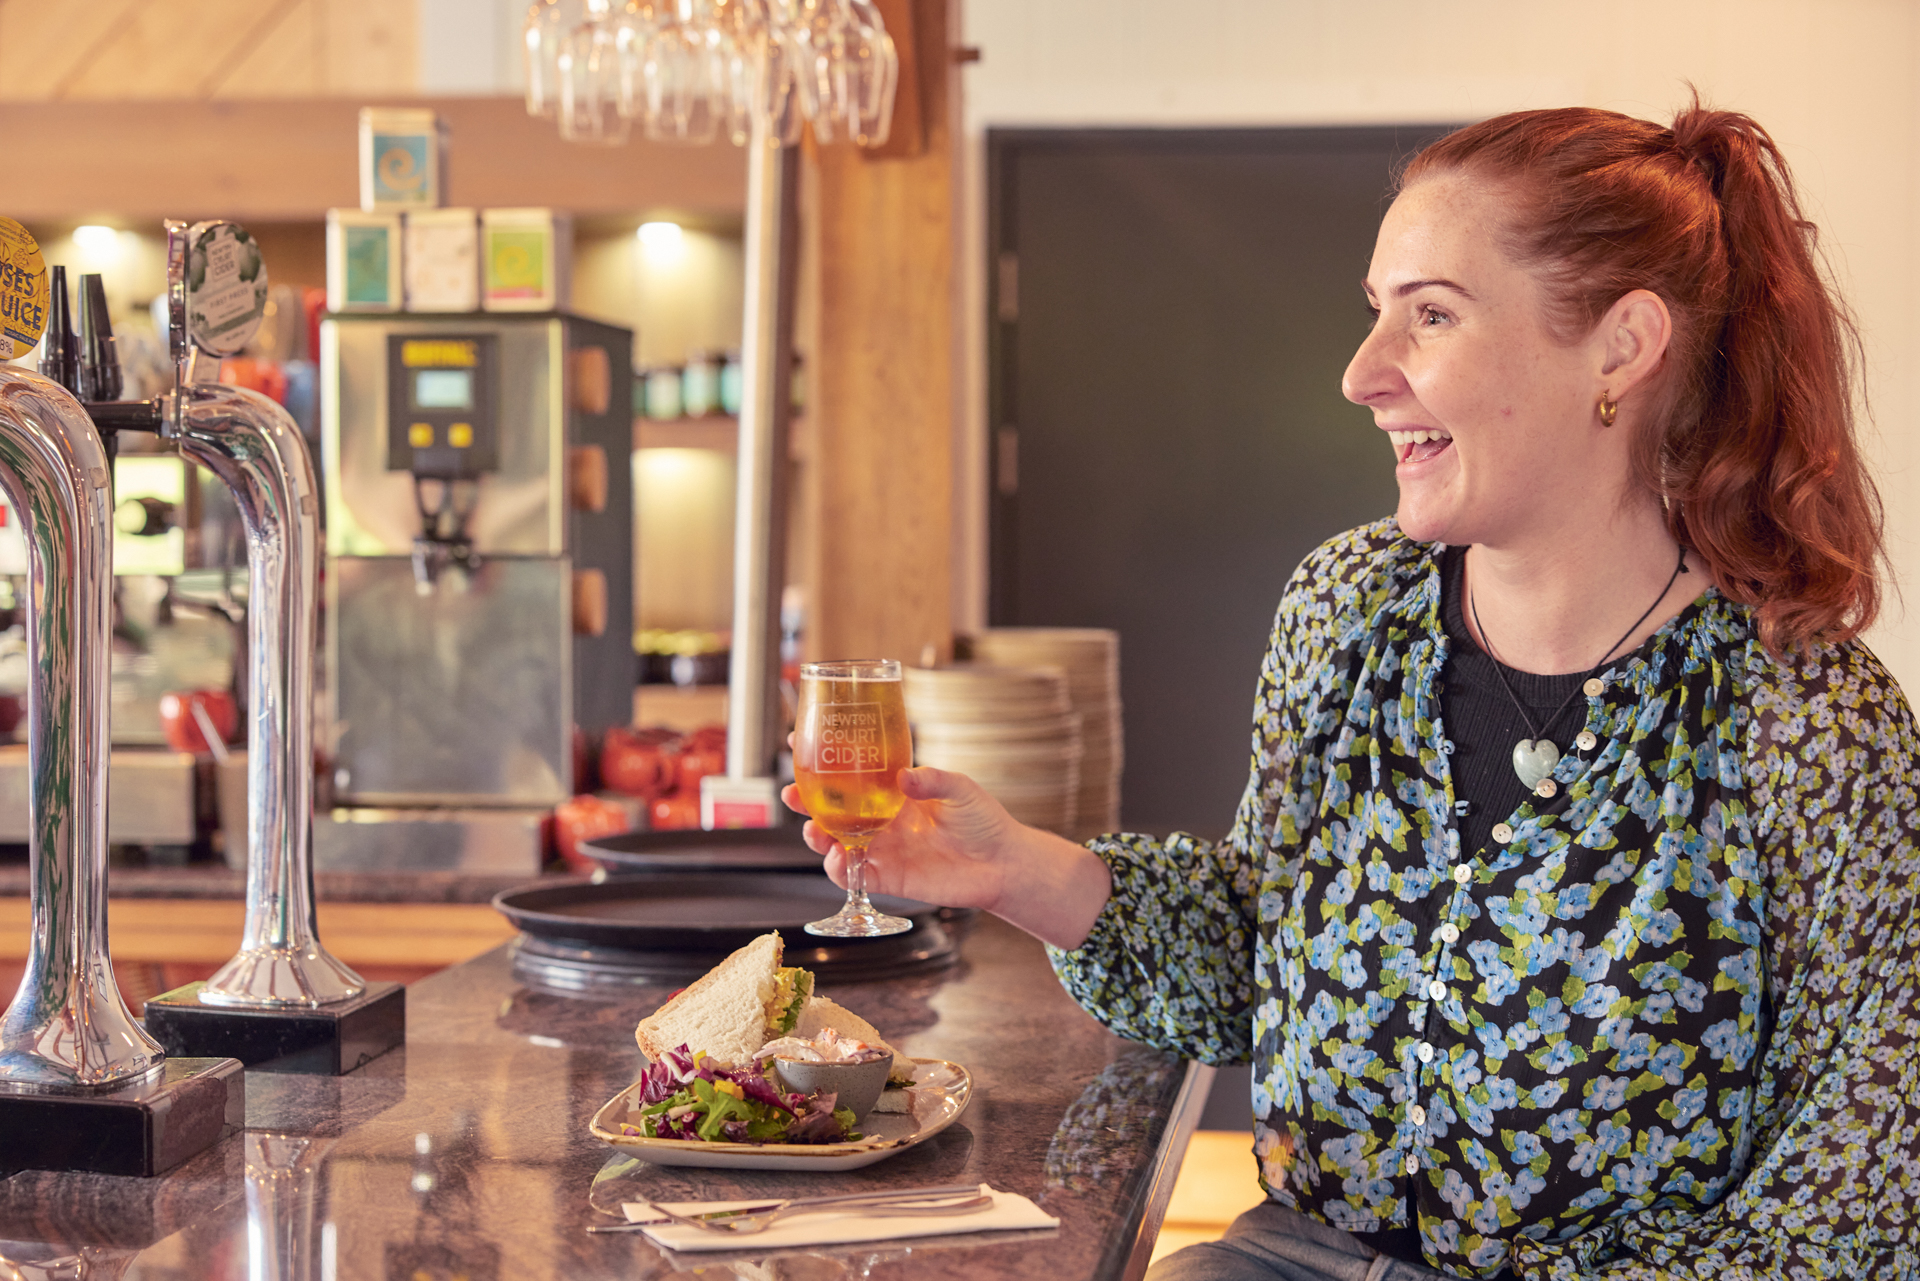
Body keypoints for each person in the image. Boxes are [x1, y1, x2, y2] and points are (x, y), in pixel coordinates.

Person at [785, 100, 1918, 1280]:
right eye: (1378, 315)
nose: (1363, 374)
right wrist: (1021, 868)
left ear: (1623, 348)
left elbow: (1854, 1211)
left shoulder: (1812, 725)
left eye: (1430, 315)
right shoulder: (1351, 607)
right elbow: (1263, 963)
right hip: (1297, 1256)